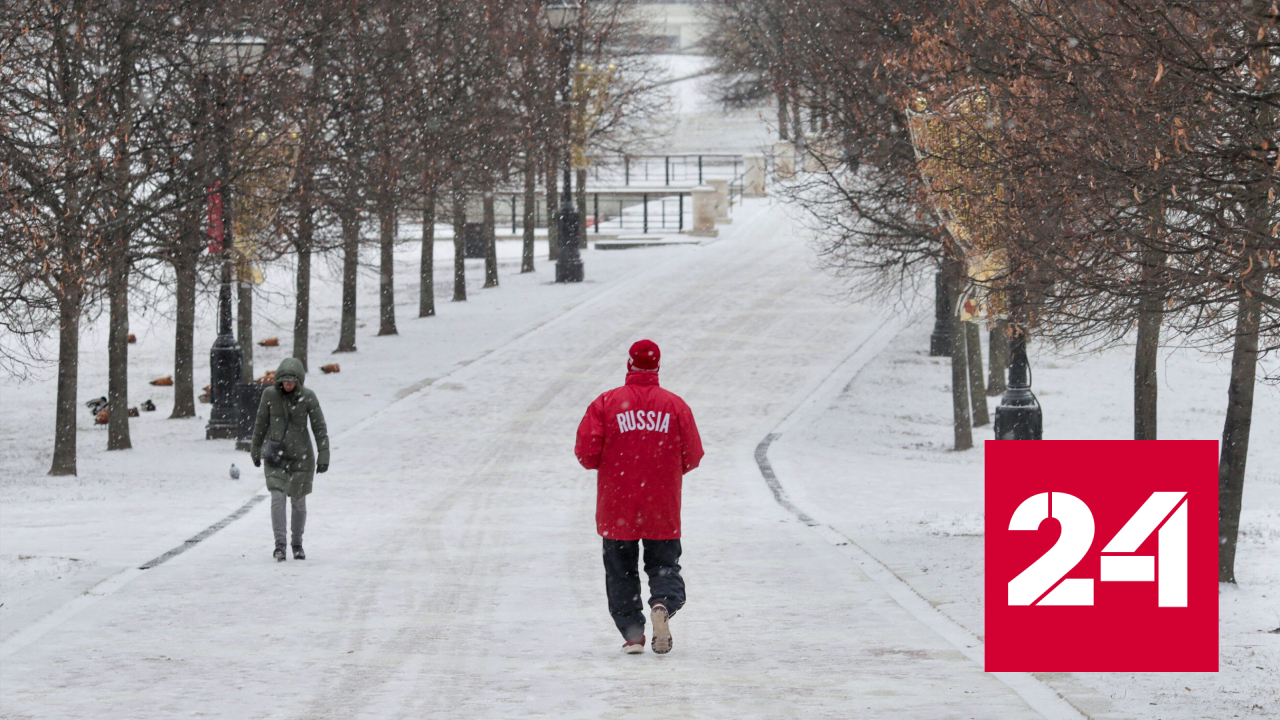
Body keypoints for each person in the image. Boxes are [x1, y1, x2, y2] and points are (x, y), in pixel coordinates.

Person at [575, 339, 704, 654]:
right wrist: (664, 472)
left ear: (629, 364)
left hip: (617, 505)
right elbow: (693, 455)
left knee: (621, 571)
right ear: (657, 366)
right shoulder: (675, 406)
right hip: (662, 505)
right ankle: (662, 603)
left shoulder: (606, 403)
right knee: (664, 565)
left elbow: (587, 454)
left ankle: (633, 634)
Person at [251, 358, 329, 562]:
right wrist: (255, 448)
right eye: (284, 381)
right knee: (277, 497)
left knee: (298, 500)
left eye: (292, 381)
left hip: (301, 457)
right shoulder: (269, 395)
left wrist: (324, 454)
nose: (288, 385)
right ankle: (280, 545)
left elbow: (319, 427)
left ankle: (297, 543)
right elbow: (261, 423)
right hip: (276, 455)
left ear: (299, 381)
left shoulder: (308, 397)